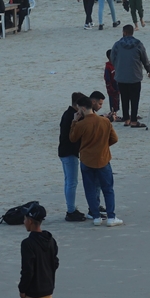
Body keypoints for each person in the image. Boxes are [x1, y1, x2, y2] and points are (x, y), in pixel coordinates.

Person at [68, 95, 122, 226]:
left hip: (87, 160)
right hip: (102, 158)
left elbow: (73, 138)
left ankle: (96, 216)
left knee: (90, 189)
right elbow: (114, 139)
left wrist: (74, 121)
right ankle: (111, 217)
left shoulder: (81, 124)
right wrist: (103, 146)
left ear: (82, 108)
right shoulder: (105, 121)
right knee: (108, 189)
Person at [18, 203, 59, 298]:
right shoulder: (51, 240)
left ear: (30, 221)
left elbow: (27, 270)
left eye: (25, 219)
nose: (24, 222)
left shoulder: (27, 244)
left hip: (32, 292)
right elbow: (55, 263)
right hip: (47, 290)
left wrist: (22, 289)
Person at [110, 25, 150, 127]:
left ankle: (126, 119)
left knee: (124, 98)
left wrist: (118, 67)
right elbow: (144, 59)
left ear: (124, 32)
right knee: (134, 99)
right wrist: (148, 70)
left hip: (121, 76)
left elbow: (112, 58)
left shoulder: (117, 44)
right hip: (135, 75)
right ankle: (134, 120)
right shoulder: (138, 44)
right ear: (132, 32)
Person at [59, 92, 90, 221]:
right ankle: (70, 211)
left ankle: (71, 209)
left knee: (69, 181)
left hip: (65, 151)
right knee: (71, 182)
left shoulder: (68, 114)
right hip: (69, 152)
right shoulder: (73, 116)